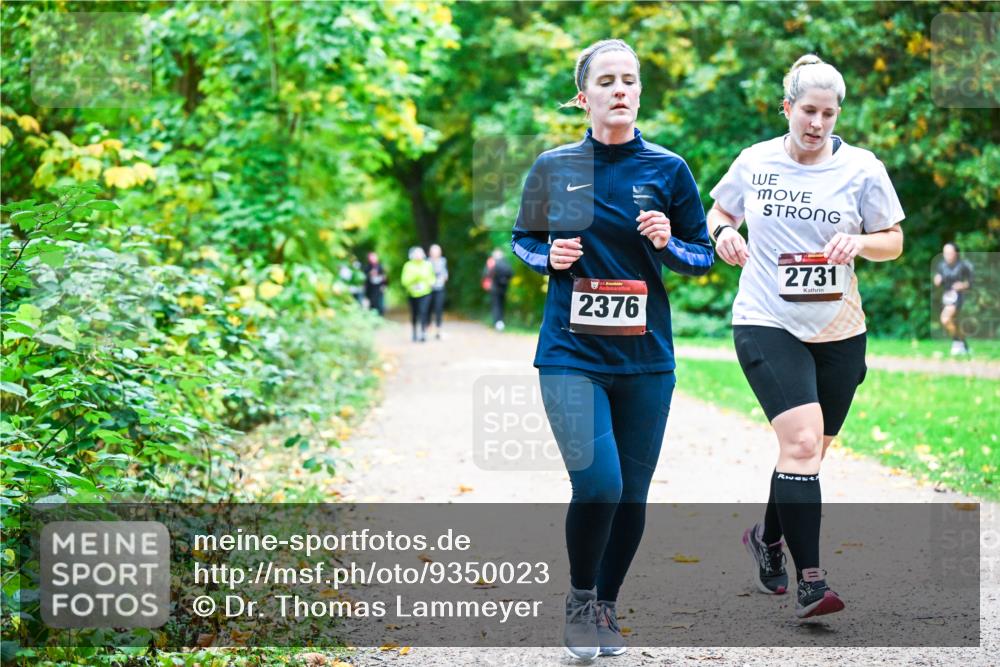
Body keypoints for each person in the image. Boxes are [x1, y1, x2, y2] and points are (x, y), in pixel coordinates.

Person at [510, 39, 713, 659]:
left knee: (632, 495)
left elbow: (702, 257)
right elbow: (522, 239)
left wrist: (669, 243)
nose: (620, 89)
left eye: (629, 79)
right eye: (606, 81)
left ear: (639, 92)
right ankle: (579, 598)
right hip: (570, 355)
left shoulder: (669, 170)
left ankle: (605, 605)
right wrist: (550, 256)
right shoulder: (553, 166)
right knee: (599, 484)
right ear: (584, 97)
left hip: (646, 360)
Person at [707, 54, 904, 620]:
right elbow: (719, 212)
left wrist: (860, 243)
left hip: (840, 328)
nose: (817, 123)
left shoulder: (863, 168)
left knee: (810, 453)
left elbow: (892, 240)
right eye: (808, 111)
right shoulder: (756, 160)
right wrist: (723, 235)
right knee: (800, 444)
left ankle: (767, 538)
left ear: (837, 114)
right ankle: (812, 584)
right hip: (766, 318)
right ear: (787, 107)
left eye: (828, 113)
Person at [934, 242, 973, 355]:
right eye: (945, 253)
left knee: (945, 319)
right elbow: (938, 279)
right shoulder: (942, 265)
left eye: (949, 253)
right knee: (953, 322)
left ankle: (957, 343)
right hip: (947, 296)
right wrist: (937, 280)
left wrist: (962, 285)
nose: (947, 255)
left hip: (959, 296)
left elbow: (971, 282)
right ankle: (963, 345)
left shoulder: (964, 265)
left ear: (956, 253)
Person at [400, 246, 435, 342]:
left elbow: (431, 277)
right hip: (412, 293)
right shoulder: (408, 265)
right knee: (414, 313)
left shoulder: (428, 265)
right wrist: (416, 277)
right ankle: (414, 332)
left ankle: (423, 332)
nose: (418, 256)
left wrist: (431, 282)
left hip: (425, 292)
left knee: (423, 311)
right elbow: (404, 281)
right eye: (416, 254)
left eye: (420, 253)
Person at [484, 249, 513, 331]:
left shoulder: (492, 262)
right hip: (504, 288)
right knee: (502, 305)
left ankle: (496, 322)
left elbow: (487, 273)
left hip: (494, 287)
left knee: (495, 305)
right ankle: (501, 322)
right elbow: (511, 273)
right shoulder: (506, 263)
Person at [428, 244, 449, 338]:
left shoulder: (443, 261)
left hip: (440, 288)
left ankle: (438, 329)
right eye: (434, 251)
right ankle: (428, 327)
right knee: (428, 308)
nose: (436, 253)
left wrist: (444, 278)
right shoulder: (427, 262)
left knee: (439, 308)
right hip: (428, 289)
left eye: (437, 251)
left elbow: (445, 273)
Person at [364, 251, 388, 316]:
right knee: (372, 305)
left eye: (374, 257)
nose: (373, 259)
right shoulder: (367, 267)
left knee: (381, 305)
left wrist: (385, 285)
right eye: (371, 257)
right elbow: (364, 278)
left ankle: (381, 317)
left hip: (379, 288)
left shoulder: (381, 267)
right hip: (371, 289)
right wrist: (370, 274)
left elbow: (385, 278)